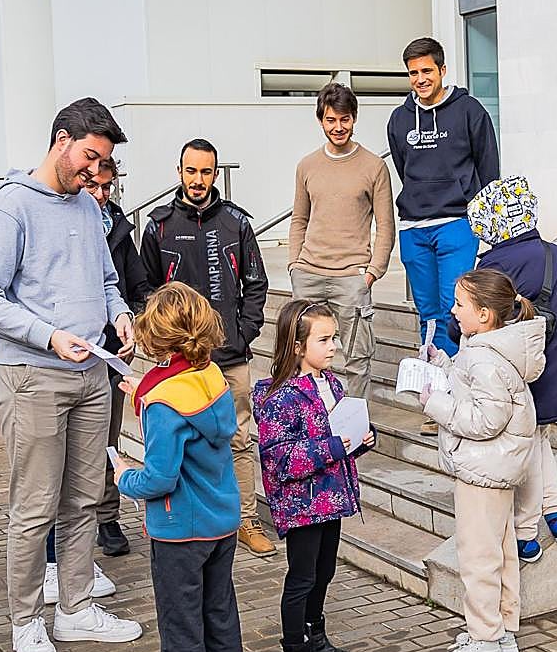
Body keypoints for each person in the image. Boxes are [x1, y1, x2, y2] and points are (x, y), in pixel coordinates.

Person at [0, 97, 143, 652]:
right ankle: (26, 622)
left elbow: (108, 280)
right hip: (33, 376)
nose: (96, 172)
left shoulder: (91, 210)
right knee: (35, 504)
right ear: (62, 140)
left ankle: (75, 607)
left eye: (103, 163)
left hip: (93, 371)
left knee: (84, 499)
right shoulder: (11, 208)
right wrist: (47, 336)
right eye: (90, 157)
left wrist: (119, 314)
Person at [114, 282, 254, 652]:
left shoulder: (163, 401)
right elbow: (180, 402)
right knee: (220, 616)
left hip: (180, 531)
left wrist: (123, 477)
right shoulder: (211, 375)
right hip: (220, 523)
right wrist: (143, 393)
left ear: (157, 338)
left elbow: (159, 476)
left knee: (181, 631)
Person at [140, 139, 274, 557]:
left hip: (230, 359)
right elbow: (146, 288)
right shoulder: (158, 225)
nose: (198, 180)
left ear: (216, 174)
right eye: (191, 171)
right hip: (178, 364)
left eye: (206, 172)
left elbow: (257, 284)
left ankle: (246, 520)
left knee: (237, 441)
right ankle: (186, 522)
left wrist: (243, 333)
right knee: (178, 443)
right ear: (179, 172)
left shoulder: (237, 223)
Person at [420, 269, 544, 652]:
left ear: (485, 315)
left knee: (479, 556)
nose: (453, 311)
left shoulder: (486, 357)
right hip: (495, 467)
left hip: (482, 469)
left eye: (460, 305)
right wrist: (443, 365)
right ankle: (503, 628)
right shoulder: (486, 348)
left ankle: (484, 639)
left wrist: (435, 403)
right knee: (501, 550)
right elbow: (475, 387)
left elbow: (484, 420)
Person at [251, 300, 376, 652]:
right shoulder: (280, 398)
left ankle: (315, 633)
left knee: (325, 571)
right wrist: (336, 447)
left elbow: (338, 435)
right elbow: (280, 460)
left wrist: (358, 441)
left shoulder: (332, 384)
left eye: (334, 337)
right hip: (302, 505)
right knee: (302, 577)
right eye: (324, 339)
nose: (334, 345)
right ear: (297, 346)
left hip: (332, 498)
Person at [41, 158, 150, 603]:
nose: (102, 195)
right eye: (95, 186)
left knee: (86, 471)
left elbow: (120, 285)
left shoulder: (112, 226)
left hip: (102, 360)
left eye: (109, 187)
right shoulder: (43, 217)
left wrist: (125, 320)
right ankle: (48, 567)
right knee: (51, 476)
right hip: (52, 364)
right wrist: (49, 336)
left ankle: (77, 565)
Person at [461, 177, 557, 564]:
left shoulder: (495, 265)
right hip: (553, 368)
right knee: (539, 440)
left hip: (516, 377)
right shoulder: (556, 255)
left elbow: (476, 318)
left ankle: (526, 534)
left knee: (527, 448)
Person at [387, 37, 499, 433]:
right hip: (415, 229)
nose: (419, 79)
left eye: (426, 71)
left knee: (458, 313)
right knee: (429, 316)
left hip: (457, 224)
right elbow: (405, 169)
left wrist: (487, 227)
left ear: (442, 70)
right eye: (413, 73)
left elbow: (489, 171)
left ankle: (459, 397)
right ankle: (436, 401)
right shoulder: (400, 120)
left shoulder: (469, 111)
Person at [289, 83, 396, 398]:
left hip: (352, 277)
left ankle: (354, 425)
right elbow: (299, 219)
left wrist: (372, 272)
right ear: (321, 120)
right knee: (303, 356)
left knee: (357, 359)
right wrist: (295, 265)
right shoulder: (307, 166)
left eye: (345, 119)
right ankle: (312, 417)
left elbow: (386, 225)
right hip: (308, 274)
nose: (338, 127)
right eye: (331, 120)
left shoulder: (374, 166)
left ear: (354, 118)